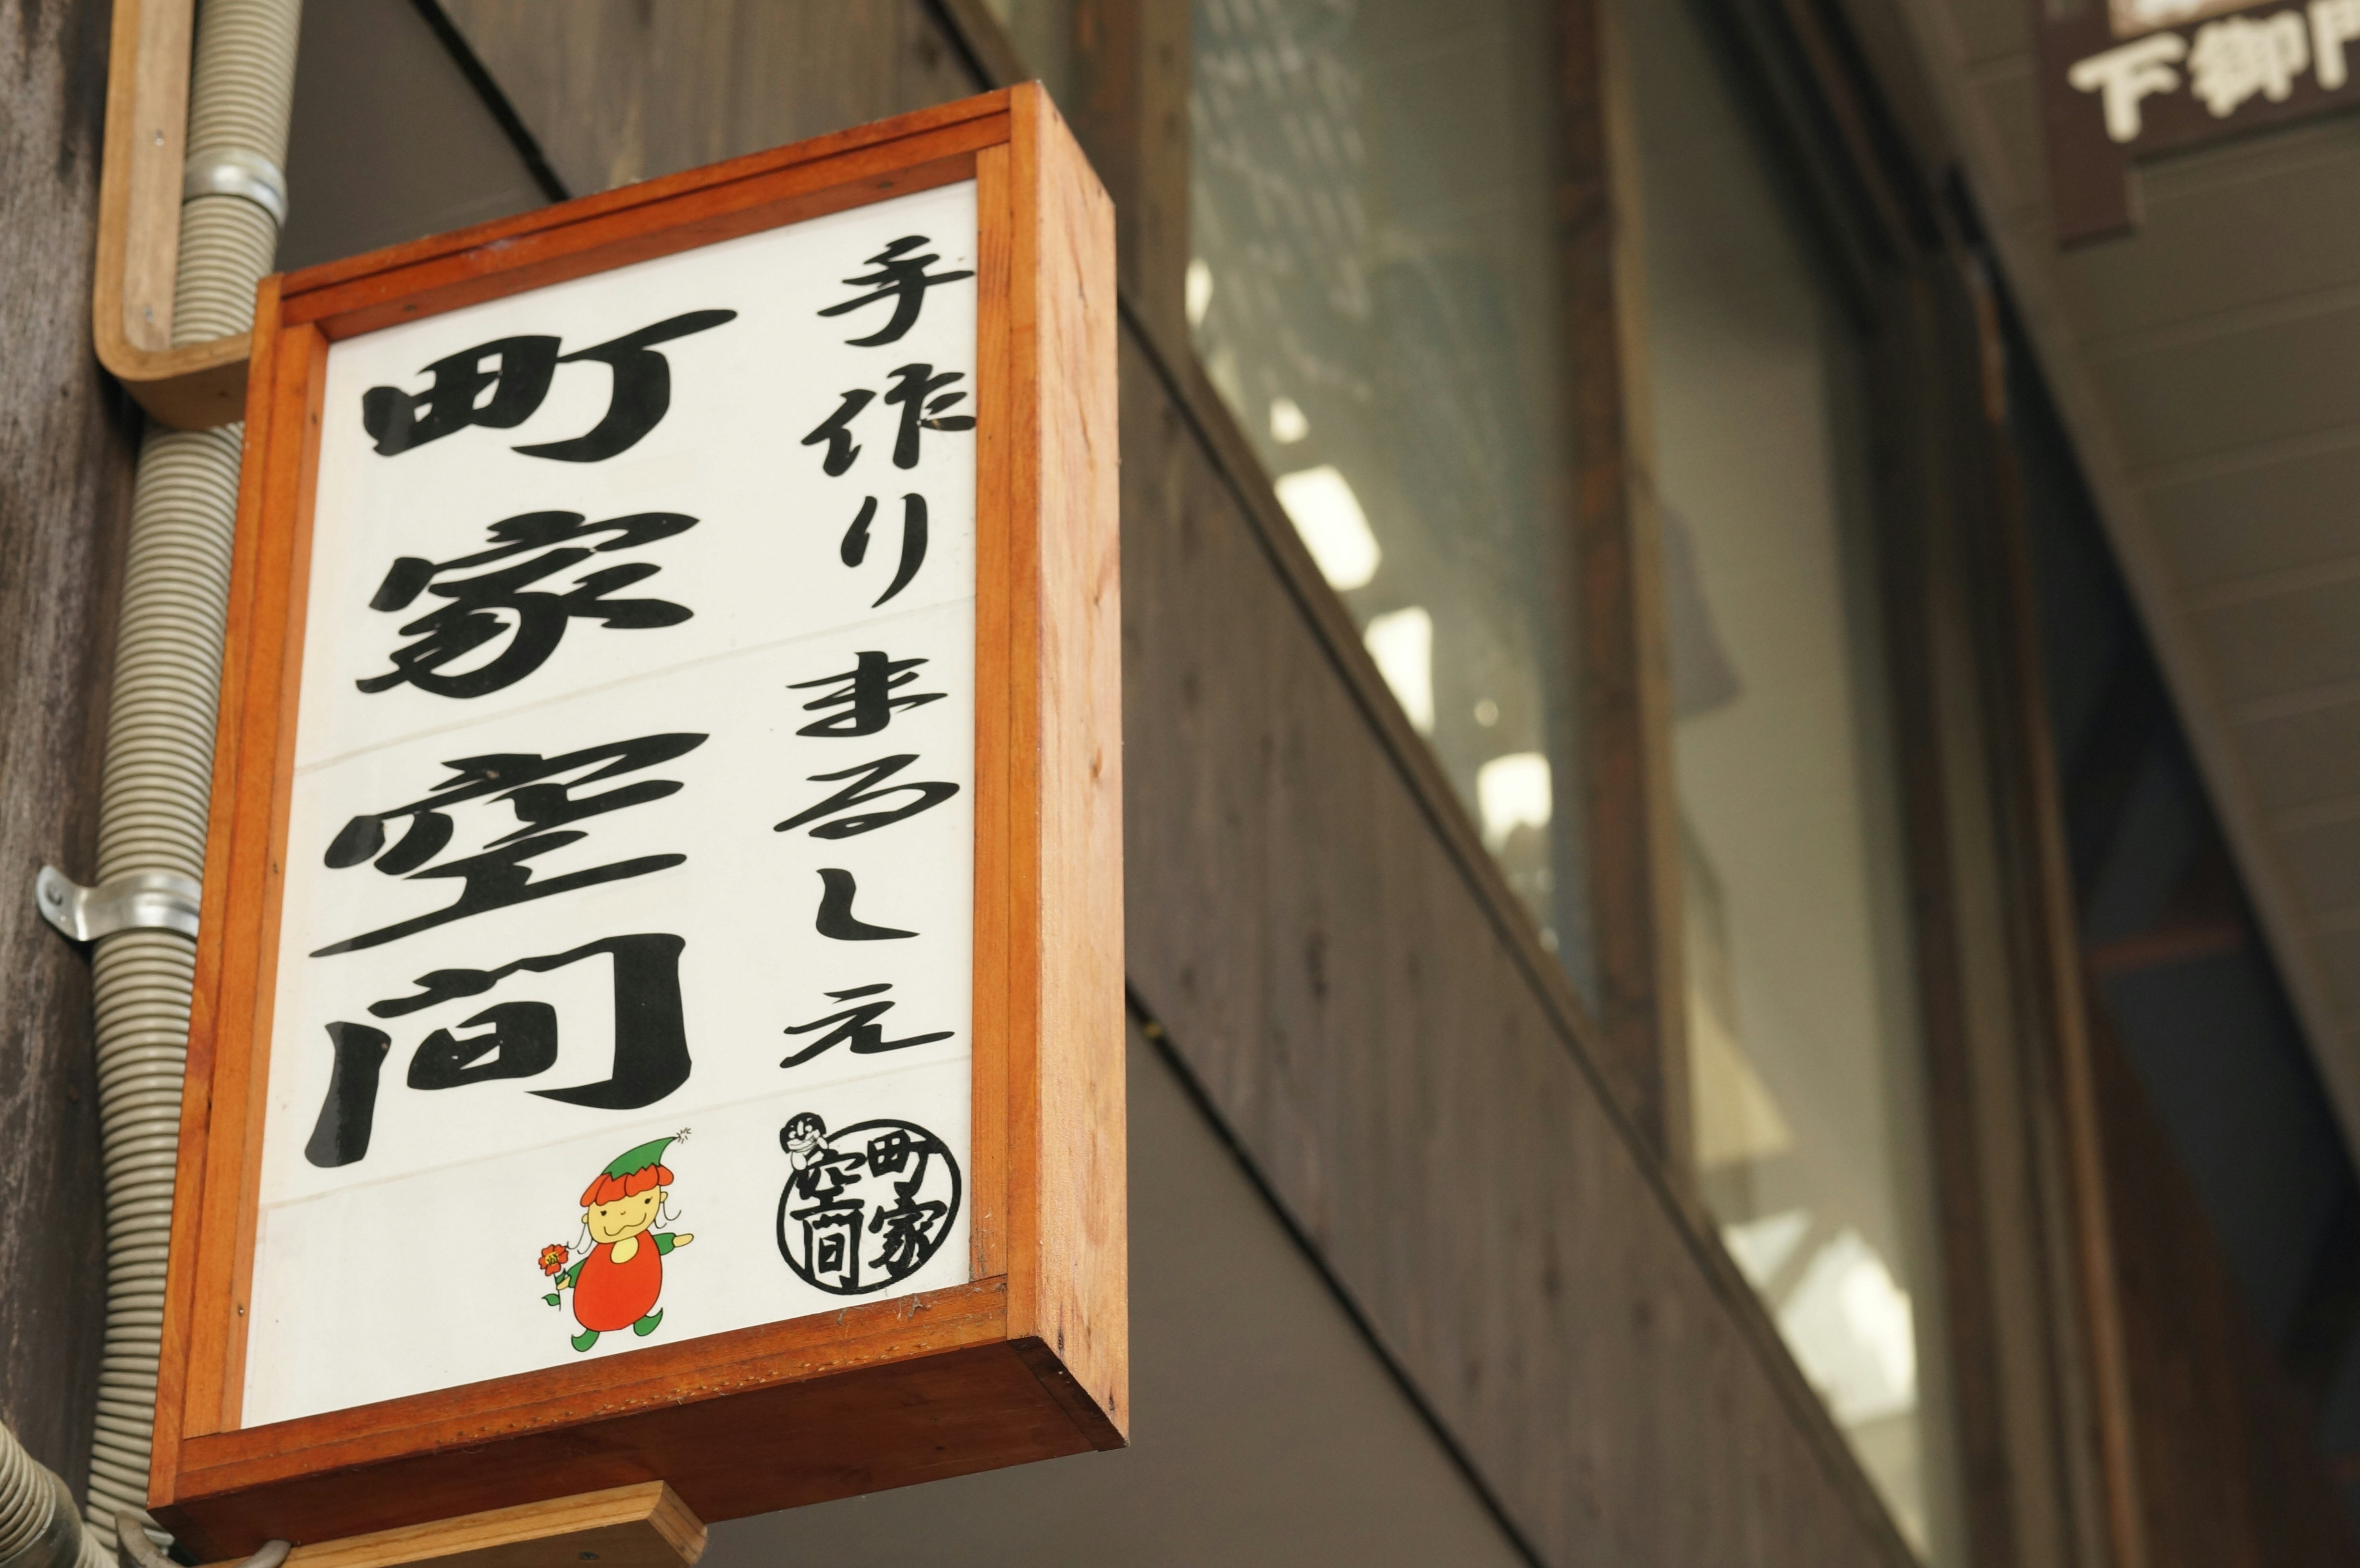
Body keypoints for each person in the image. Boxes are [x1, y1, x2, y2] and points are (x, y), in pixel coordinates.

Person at [541, 1132, 693, 1351]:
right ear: (588, 1219)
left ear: (661, 1199)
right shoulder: (601, 1252)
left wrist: (675, 1241)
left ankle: (640, 1319)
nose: (623, 1216)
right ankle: (592, 1330)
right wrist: (569, 1280)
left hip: (638, 1296)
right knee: (594, 1310)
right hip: (597, 1302)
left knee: (638, 1303)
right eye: (604, 1214)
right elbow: (584, 1268)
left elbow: (660, 1244)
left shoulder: (645, 1240)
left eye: (646, 1201)